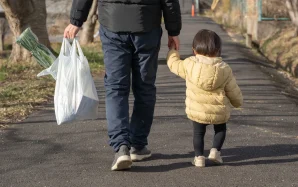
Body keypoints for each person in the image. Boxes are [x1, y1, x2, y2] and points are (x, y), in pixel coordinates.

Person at [64, 0, 181, 171]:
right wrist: (174, 30)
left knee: (116, 87)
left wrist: (76, 20)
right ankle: (138, 145)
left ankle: (121, 147)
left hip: (113, 24)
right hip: (147, 25)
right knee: (145, 87)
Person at [167, 29, 243, 167]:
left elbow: (173, 64)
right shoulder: (224, 69)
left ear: (194, 50)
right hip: (219, 109)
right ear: (218, 50)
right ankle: (215, 152)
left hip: (197, 110)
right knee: (220, 130)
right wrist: (238, 103)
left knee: (198, 133)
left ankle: (199, 158)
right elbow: (233, 90)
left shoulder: (189, 64)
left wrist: (173, 50)